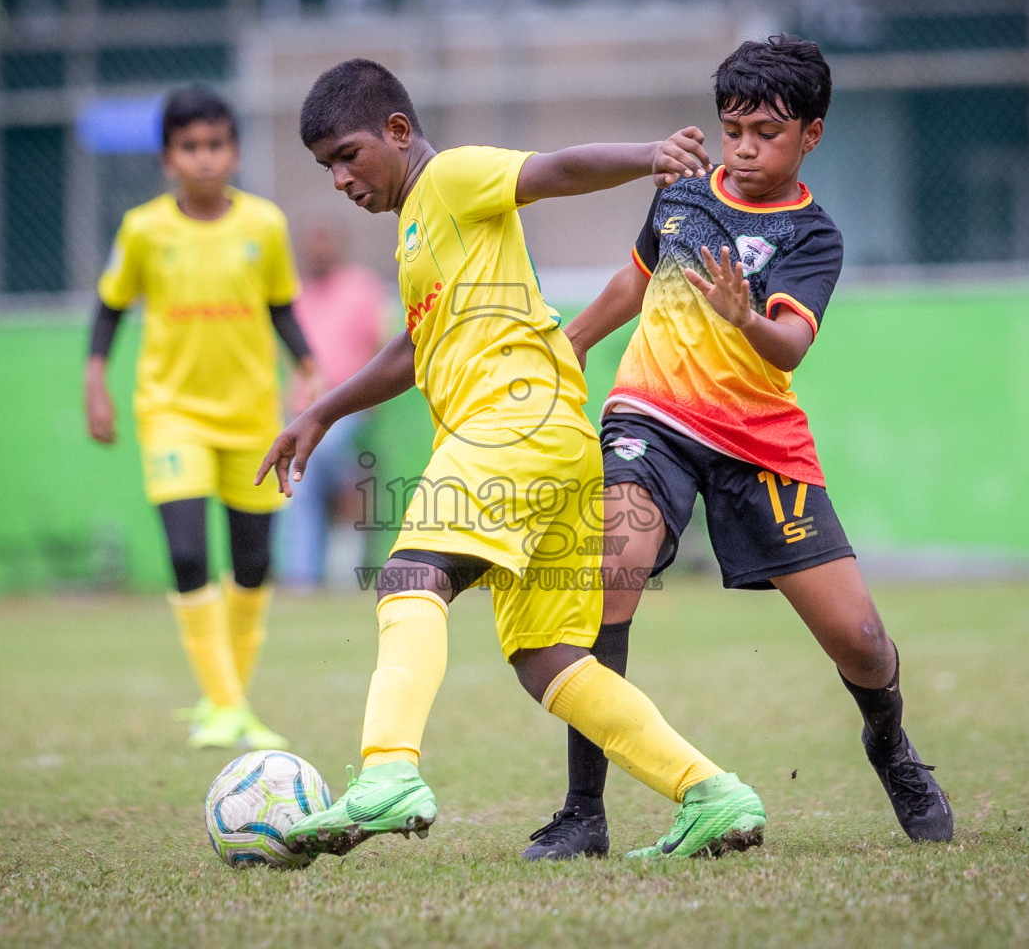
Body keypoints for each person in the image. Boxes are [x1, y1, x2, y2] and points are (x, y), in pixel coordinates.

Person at [257, 58, 767, 860]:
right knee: (546, 659)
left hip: (512, 420)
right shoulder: (418, 228)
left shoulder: (452, 178)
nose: (339, 178)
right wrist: (321, 410)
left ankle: (388, 772)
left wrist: (650, 154)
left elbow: (552, 172)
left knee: (409, 575)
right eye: (327, 166)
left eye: (348, 155)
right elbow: (414, 346)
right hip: (552, 440)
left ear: (397, 132)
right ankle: (711, 792)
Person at [522, 35, 954, 861]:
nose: (746, 148)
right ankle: (583, 813)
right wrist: (570, 343)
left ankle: (890, 746)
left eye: (767, 133)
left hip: (760, 443)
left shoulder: (812, 236)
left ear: (812, 136)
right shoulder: (684, 196)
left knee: (860, 641)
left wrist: (744, 317)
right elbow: (636, 278)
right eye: (734, 130)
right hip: (650, 418)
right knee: (612, 571)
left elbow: (788, 347)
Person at [84, 86, 320, 751]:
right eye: (190, 147)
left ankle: (227, 704)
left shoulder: (265, 226)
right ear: (168, 159)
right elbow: (108, 307)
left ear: (235, 152)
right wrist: (94, 379)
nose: (205, 158)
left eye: (215, 145)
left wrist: (308, 365)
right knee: (188, 552)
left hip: (251, 419)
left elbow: (281, 308)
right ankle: (226, 705)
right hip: (172, 414)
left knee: (252, 565)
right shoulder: (143, 230)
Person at [277, 222, 389, 590]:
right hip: (302, 409)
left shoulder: (361, 288)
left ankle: (327, 574)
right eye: (313, 245)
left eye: (326, 243)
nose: (319, 252)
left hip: (347, 408)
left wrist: (369, 399)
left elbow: (379, 347)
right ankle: (304, 578)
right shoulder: (294, 294)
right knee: (303, 484)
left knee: (314, 466)